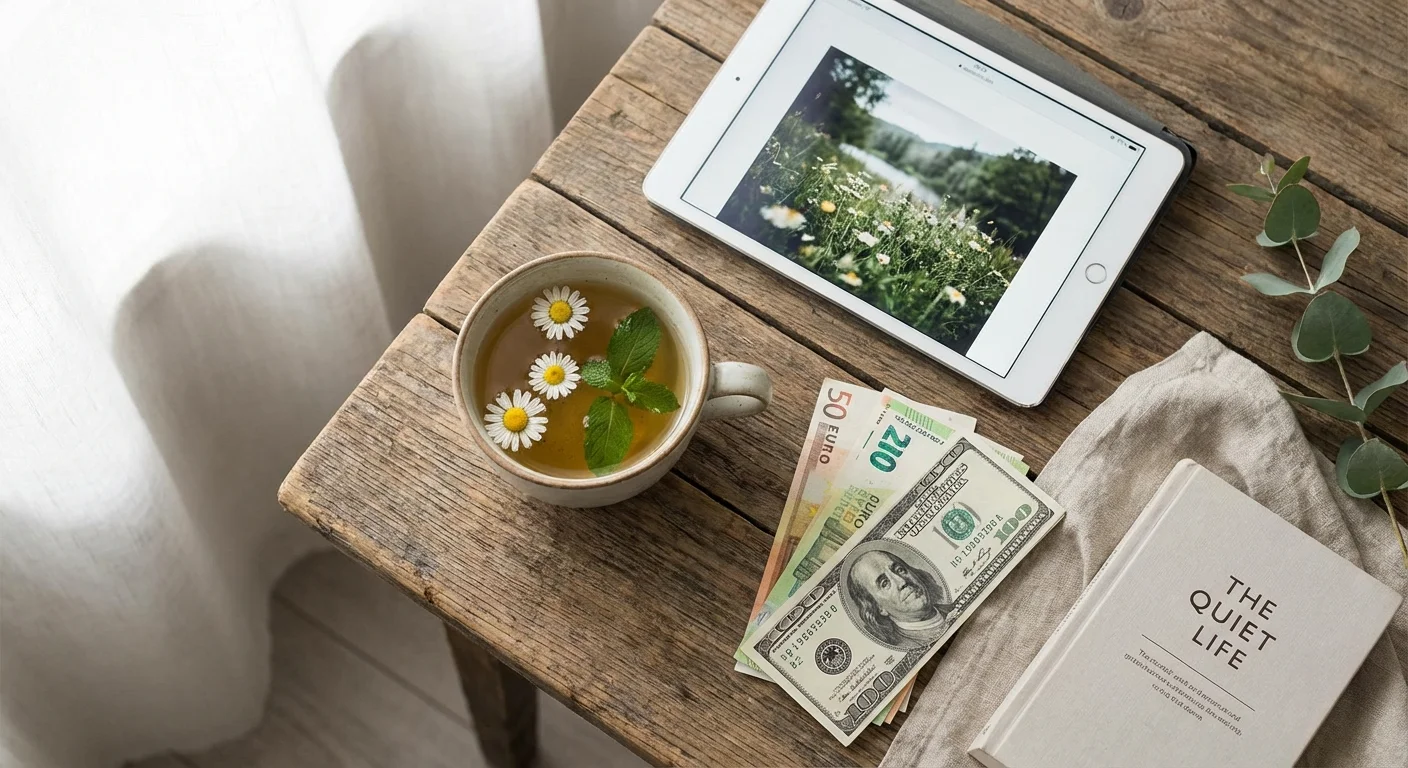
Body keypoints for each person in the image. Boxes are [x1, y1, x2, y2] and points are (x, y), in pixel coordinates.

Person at [846, 549, 953, 649]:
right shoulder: (905, 646)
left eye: (899, 570)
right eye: (885, 583)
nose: (902, 581)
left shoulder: (954, 608)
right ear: (879, 607)